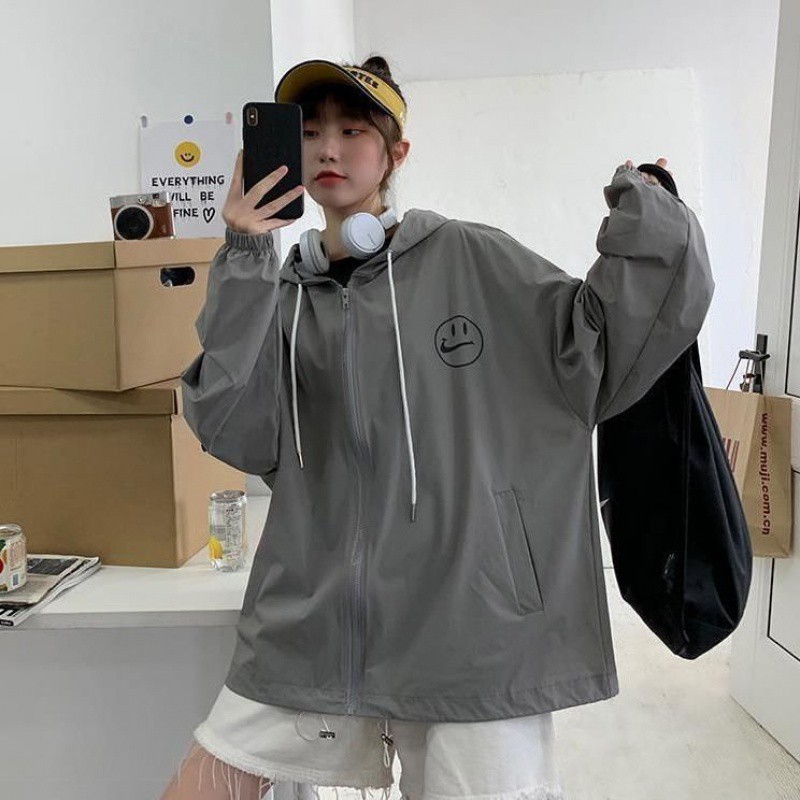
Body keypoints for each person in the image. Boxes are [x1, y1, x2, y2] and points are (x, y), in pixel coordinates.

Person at [160, 54, 713, 800]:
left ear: (396, 153)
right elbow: (232, 426)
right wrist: (246, 254)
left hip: (471, 618)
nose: (327, 149)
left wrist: (647, 213)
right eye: (311, 131)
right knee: (207, 781)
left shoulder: (471, 258)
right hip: (320, 616)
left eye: (353, 130)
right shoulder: (281, 295)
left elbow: (601, 343)